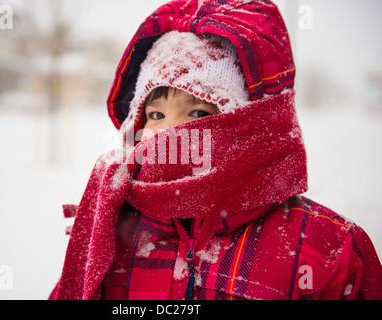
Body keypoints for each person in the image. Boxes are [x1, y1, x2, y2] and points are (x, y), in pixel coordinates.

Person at [50, 0, 382, 300]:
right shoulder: (108, 230)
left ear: (254, 125)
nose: (170, 132)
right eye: (156, 114)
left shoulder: (326, 248)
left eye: (198, 113)